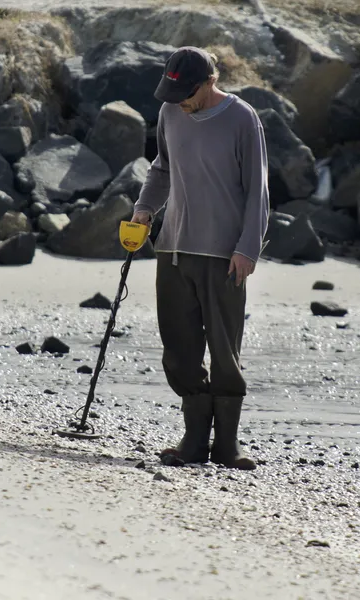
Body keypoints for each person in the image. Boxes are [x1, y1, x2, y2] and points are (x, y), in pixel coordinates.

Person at [132, 46, 269, 470]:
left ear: (209, 82)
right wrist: (143, 210)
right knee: (179, 351)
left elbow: (257, 191)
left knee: (225, 353)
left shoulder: (243, 119)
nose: (179, 103)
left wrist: (248, 248)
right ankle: (194, 442)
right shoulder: (172, 111)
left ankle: (226, 446)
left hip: (224, 256)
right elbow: (162, 168)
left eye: (186, 94)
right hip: (173, 248)